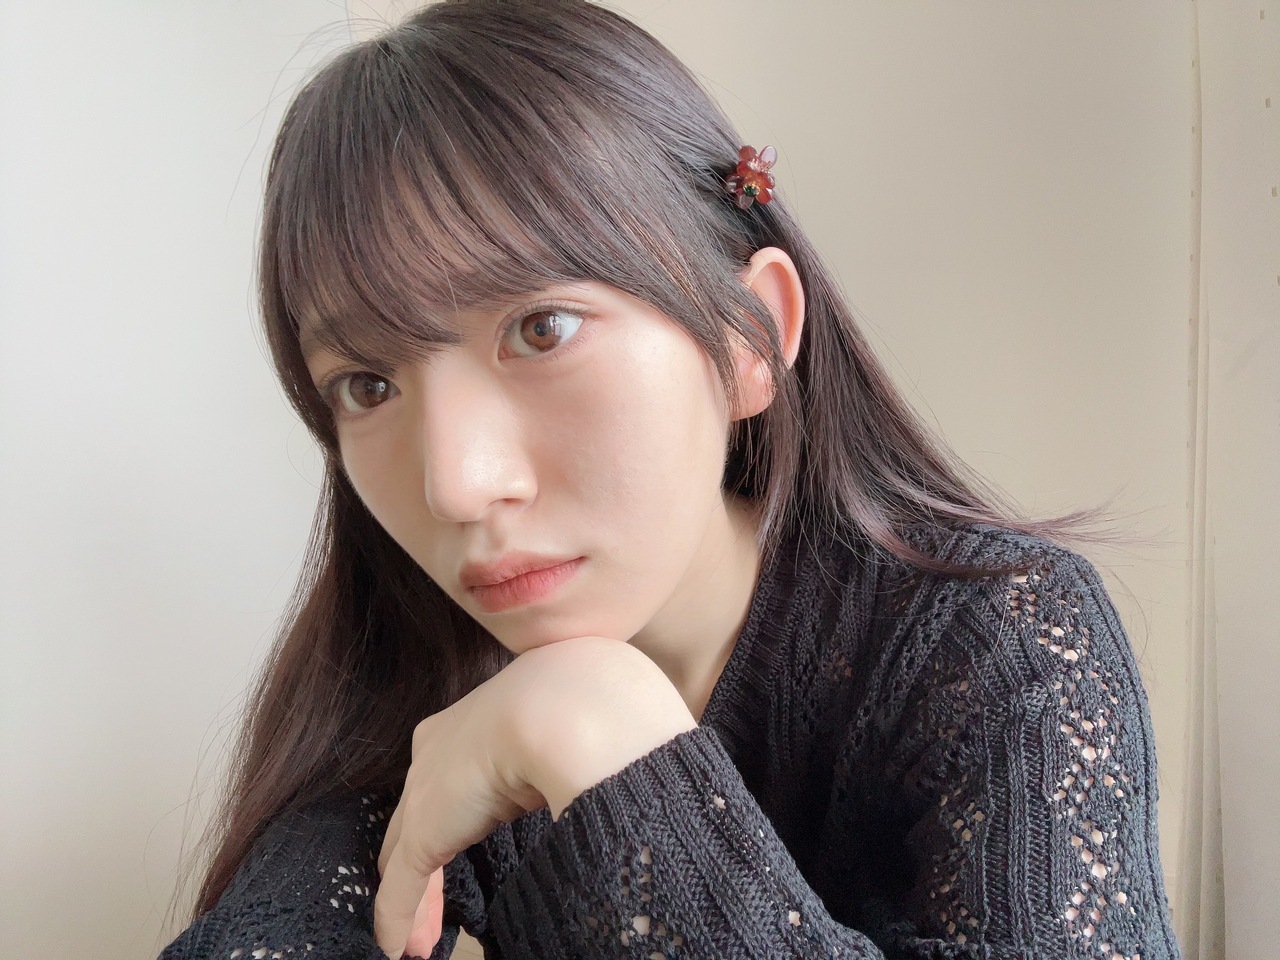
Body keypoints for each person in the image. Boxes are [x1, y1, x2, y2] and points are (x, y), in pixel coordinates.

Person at [160, 1, 1181, 958]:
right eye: (368, 384)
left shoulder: (998, 641)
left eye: (541, 328)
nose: (456, 486)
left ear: (748, 338)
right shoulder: (410, 690)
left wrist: (608, 749)